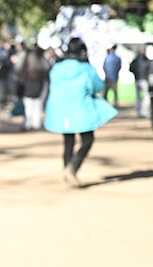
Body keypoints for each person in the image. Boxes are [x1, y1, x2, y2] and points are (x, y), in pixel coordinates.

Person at [43, 37, 117, 188]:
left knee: (68, 142)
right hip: (82, 108)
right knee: (87, 140)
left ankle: (67, 171)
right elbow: (98, 86)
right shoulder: (86, 68)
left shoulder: (57, 68)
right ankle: (73, 168)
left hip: (62, 110)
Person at [17, 44, 51, 131]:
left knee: (29, 105)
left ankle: (29, 123)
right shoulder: (41, 62)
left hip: (29, 86)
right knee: (37, 104)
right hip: (38, 85)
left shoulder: (26, 63)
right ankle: (35, 123)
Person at [129, 45, 153, 119]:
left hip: (138, 80)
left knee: (138, 97)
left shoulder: (135, 60)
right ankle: (143, 111)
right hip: (143, 80)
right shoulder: (146, 60)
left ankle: (139, 112)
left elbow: (131, 68)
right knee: (146, 96)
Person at [102, 44, 122, 109]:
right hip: (114, 77)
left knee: (106, 92)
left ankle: (105, 105)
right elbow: (119, 67)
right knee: (114, 92)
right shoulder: (117, 58)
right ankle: (116, 105)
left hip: (108, 77)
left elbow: (104, 67)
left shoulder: (107, 57)